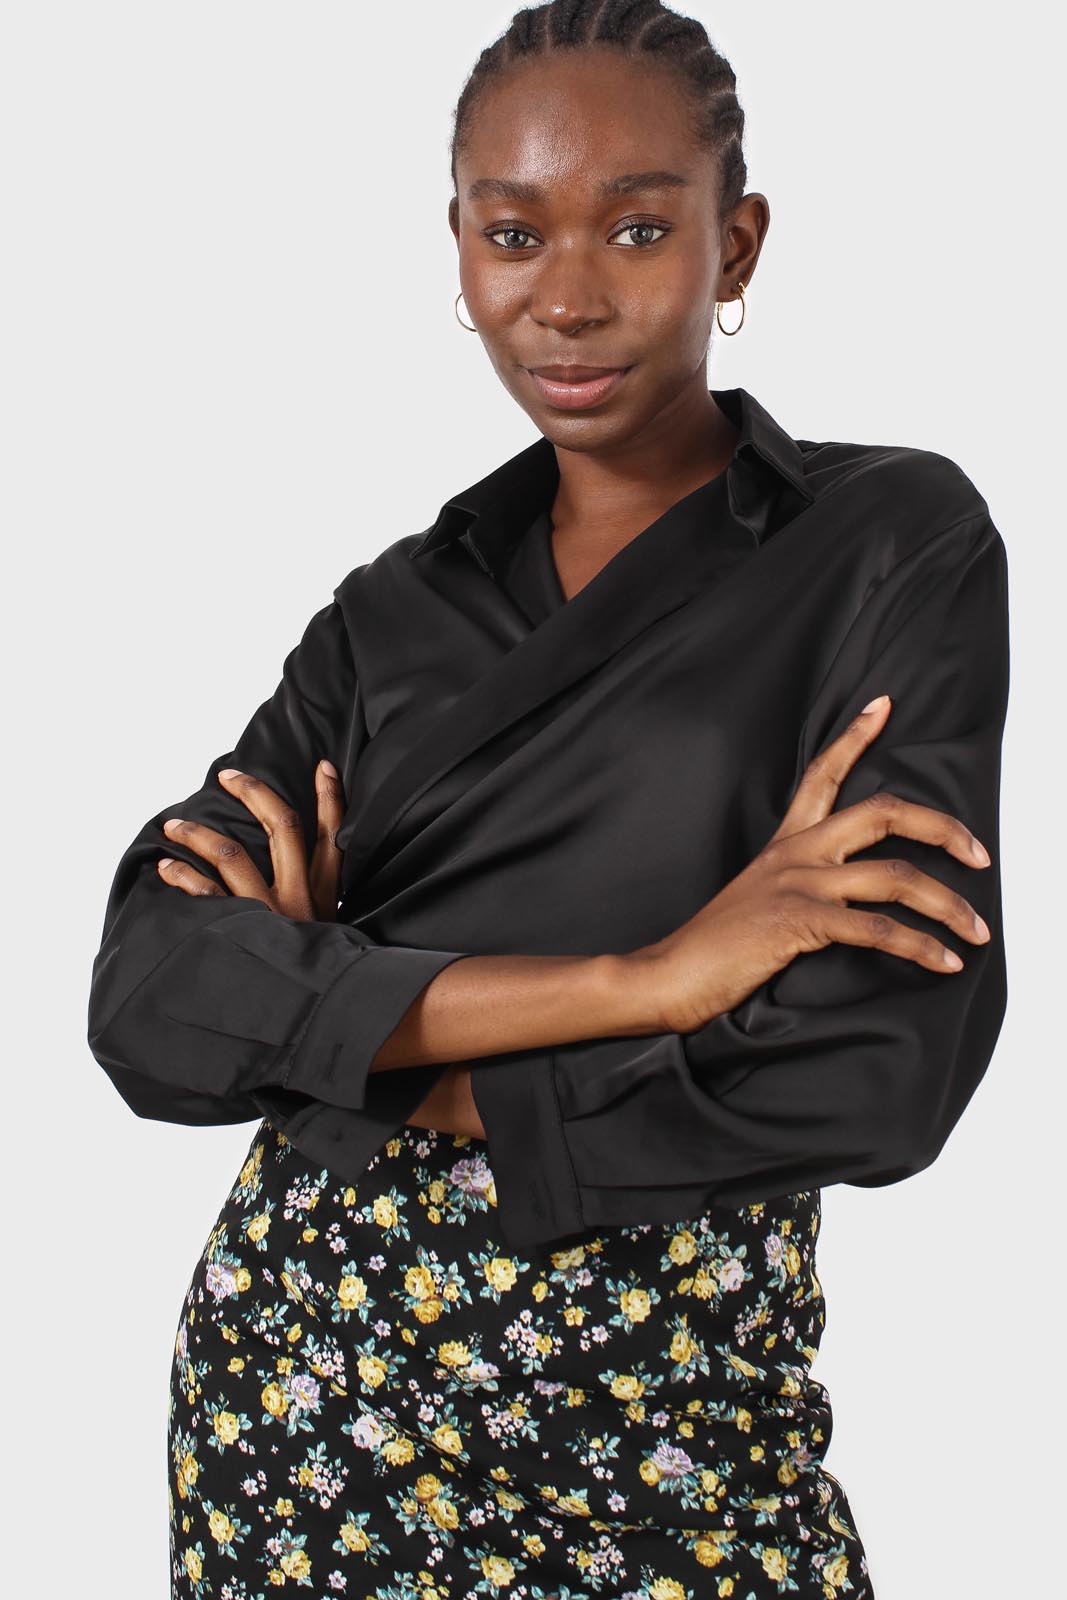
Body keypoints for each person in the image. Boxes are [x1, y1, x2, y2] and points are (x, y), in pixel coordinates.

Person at [87, 3, 1009, 1597]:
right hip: (302, 1405)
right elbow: (153, 1000)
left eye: (638, 229)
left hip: (680, 1421)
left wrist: (346, 1039)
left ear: (735, 244)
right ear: (458, 251)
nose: (567, 299)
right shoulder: (389, 614)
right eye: (513, 234)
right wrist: (652, 980)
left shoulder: (885, 540)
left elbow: (878, 1063)